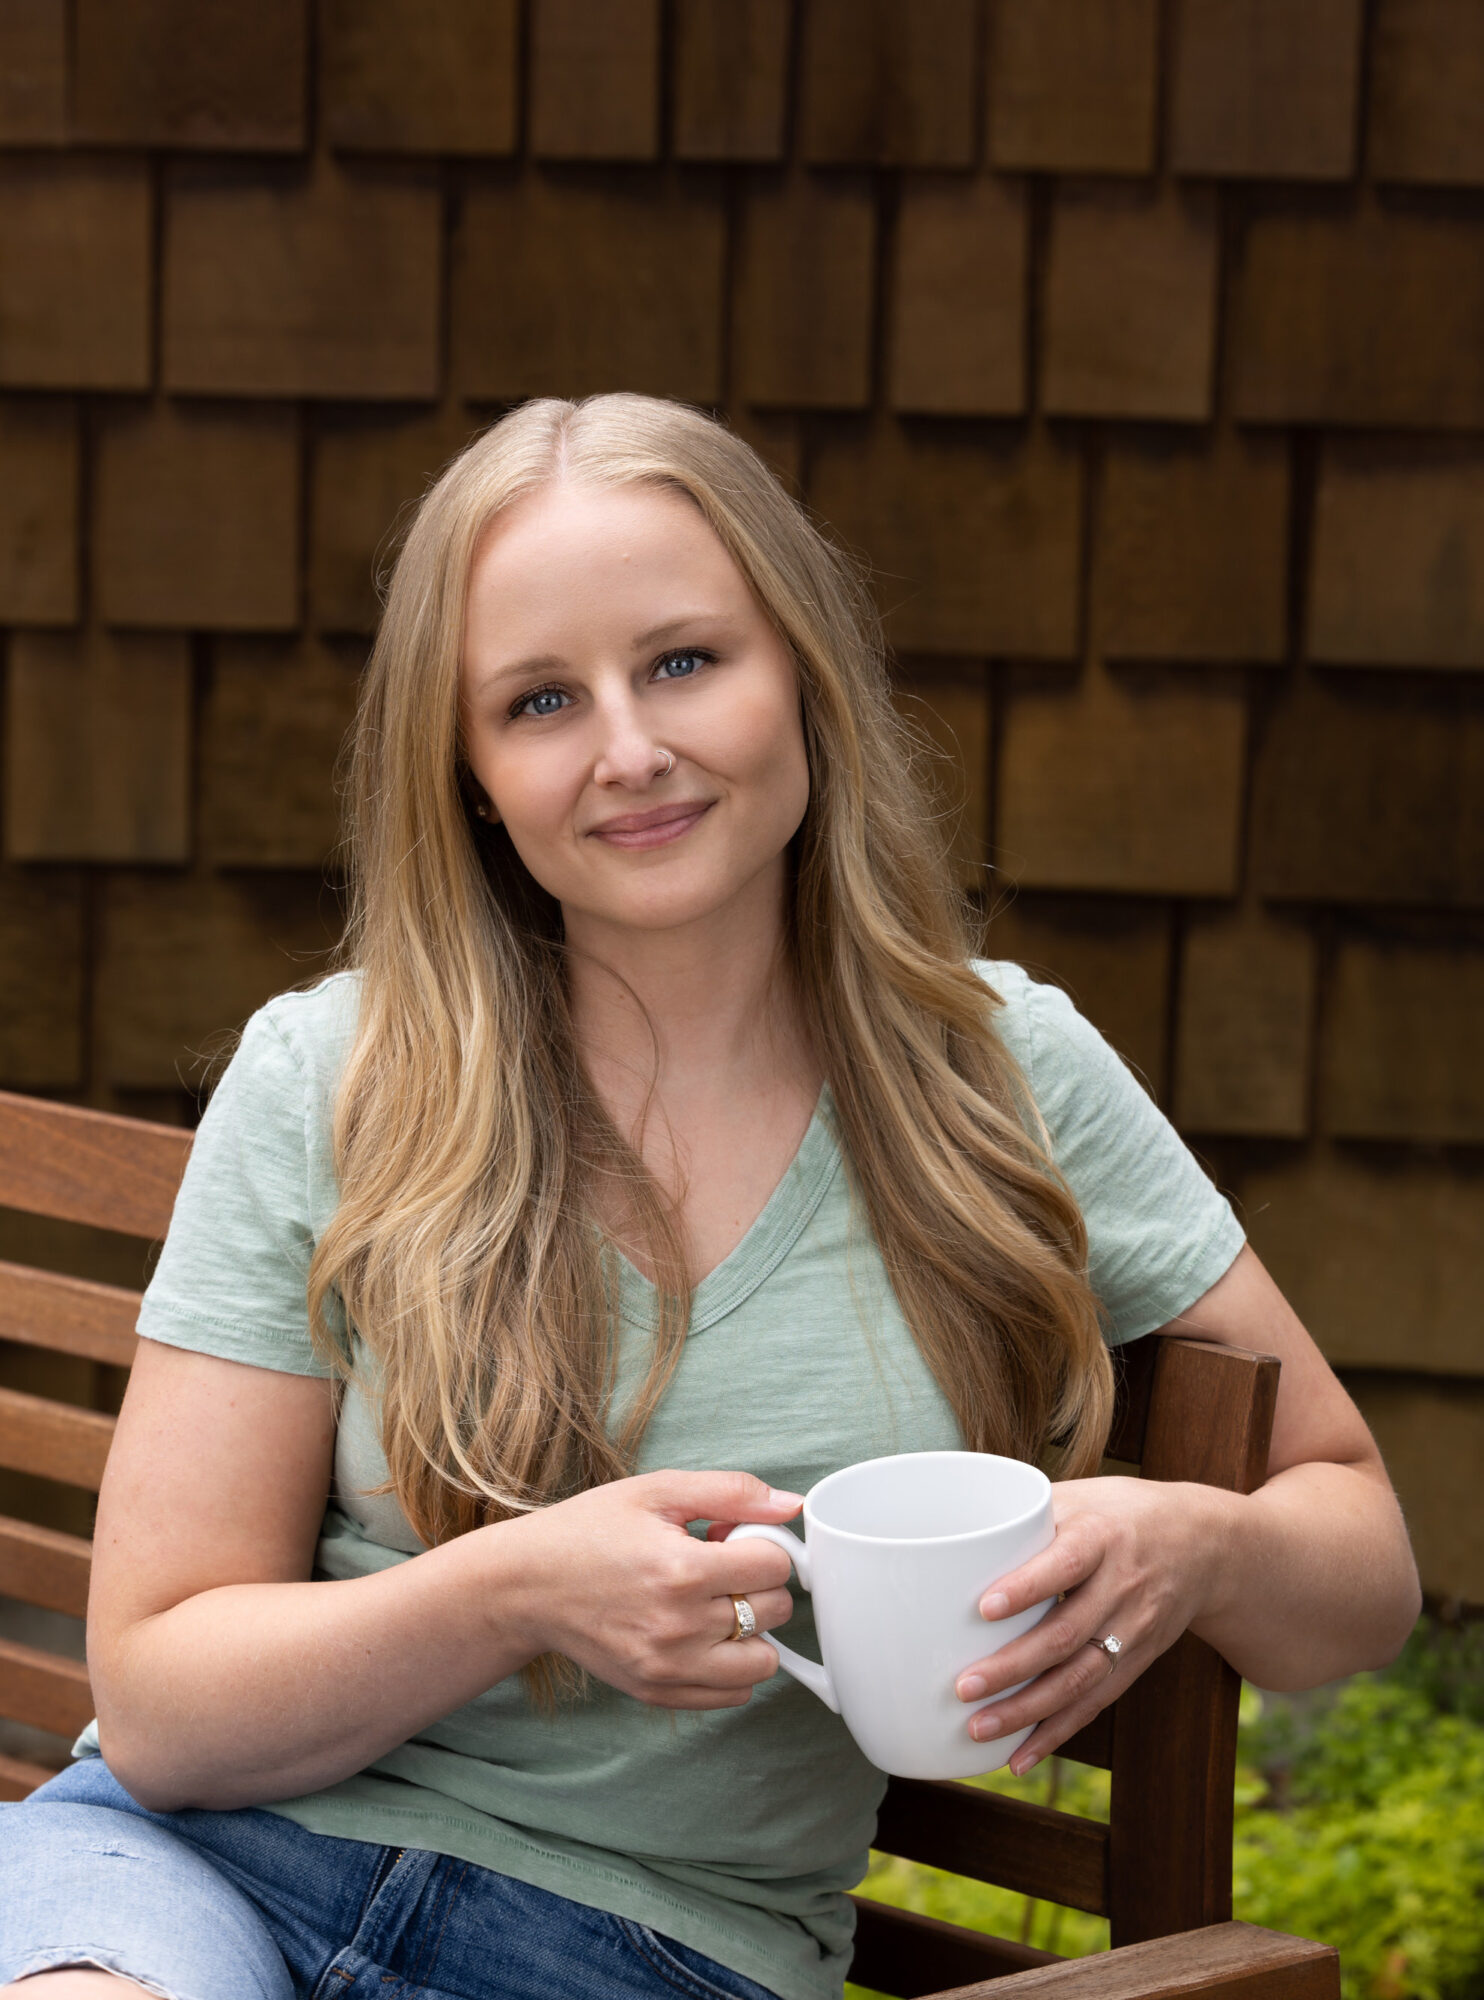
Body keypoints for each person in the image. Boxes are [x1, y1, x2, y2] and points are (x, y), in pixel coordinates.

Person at [0, 395, 1420, 2000]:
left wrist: (1202, 1549)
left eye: (682, 660)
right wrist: (513, 1591)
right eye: (540, 700)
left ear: (802, 672)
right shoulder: (337, 1079)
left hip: (643, 1954)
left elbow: (1360, 1567)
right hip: (197, 1872)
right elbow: (169, 1704)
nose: (630, 749)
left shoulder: (1000, 1072)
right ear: (467, 773)